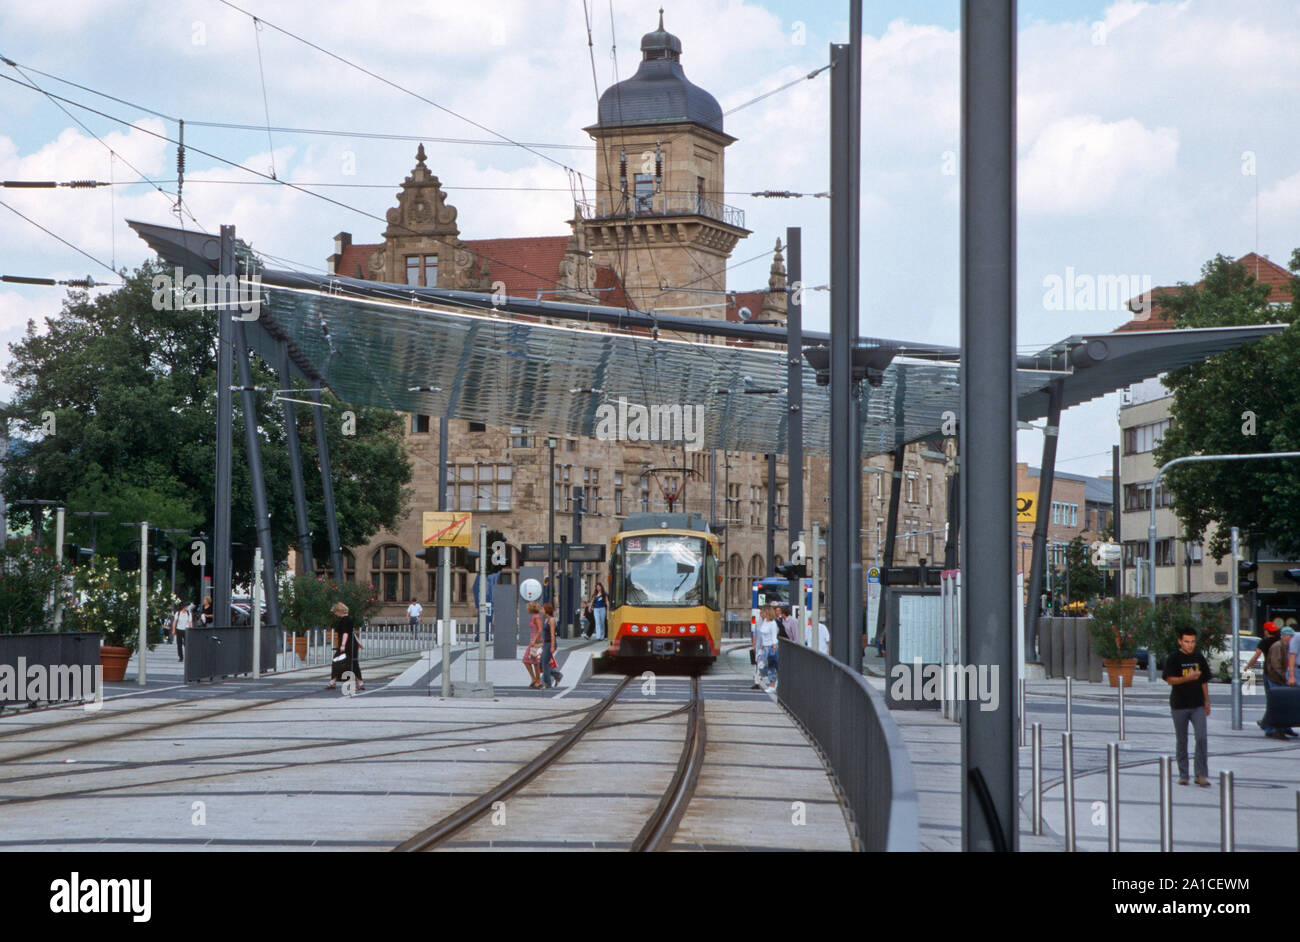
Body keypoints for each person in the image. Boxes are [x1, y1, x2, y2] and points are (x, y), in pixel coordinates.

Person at [1162, 626, 1211, 787]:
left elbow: (1204, 681)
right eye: (1186, 641)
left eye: (1192, 642)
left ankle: (1201, 774)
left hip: (1197, 704)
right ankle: (1184, 774)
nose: (1190, 645)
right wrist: (1188, 678)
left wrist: (1207, 701)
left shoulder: (1199, 658)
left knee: (1202, 737)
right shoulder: (1174, 658)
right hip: (1179, 704)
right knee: (1182, 740)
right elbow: (1170, 680)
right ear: (1180, 641)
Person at [1245, 621, 1287, 738]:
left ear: (1266, 631)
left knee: (1271, 700)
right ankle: (1271, 724)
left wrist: (1247, 666)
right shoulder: (1280, 641)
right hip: (1281, 672)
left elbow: (1256, 656)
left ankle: (1268, 725)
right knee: (1280, 700)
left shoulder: (1264, 642)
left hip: (1269, 673)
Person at [1262, 626, 1298, 738]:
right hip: (1274, 678)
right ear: (1285, 636)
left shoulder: (1287, 646)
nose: (1292, 639)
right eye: (1291, 636)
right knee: (1275, 705)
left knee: (1283, 705)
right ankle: (1271, 729)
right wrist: (1285, 677)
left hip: (1279, 678)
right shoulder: (1278, 646)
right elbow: (1275, 664)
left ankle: (1284, 727)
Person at [326, 601, 363, 692]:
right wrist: (358, 642)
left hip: (346, 644)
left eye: (335, 612)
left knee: (336, 661)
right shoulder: (349, 618)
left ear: (339, 611)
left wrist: (342, 645)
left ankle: (332, 682)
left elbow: (346, 633)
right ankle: (360, 682)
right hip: (352, 644)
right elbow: (352, 632)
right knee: (353, 663)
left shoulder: (344, 620)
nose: (335, 614)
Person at [756, 604, 780, 692]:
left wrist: (774, 647)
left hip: (771, 647)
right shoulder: (765, 621)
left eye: (763, 611)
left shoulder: (773, 624)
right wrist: (761, 647)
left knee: (771, 666)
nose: (762, 613)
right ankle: (773, 680)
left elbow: (774, 636)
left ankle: (772, 684)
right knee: (761, 665)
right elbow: (763, 635)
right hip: (765, 646)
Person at [541, 602, 563, 688]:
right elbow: (545, 633)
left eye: (542, 609)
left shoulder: (551, 620)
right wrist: (543, 643)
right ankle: (557, 675)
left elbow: (552, 634)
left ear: (547, 610)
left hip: (550, 643)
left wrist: (552, 646)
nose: (541, 610)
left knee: (545, 663)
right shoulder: (546, 620)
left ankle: (547, 683)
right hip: (546, 643)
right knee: (541, 663)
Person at [522, 601, 544, 688]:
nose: (527, 609)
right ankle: (534, 679)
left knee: (532, 661)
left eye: (528, 608)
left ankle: (537, 680)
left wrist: (534, 640)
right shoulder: (533, 617)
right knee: (529, 661)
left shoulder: (536, 617)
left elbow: (540, 629)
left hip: (536, 641)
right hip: (533, 641)